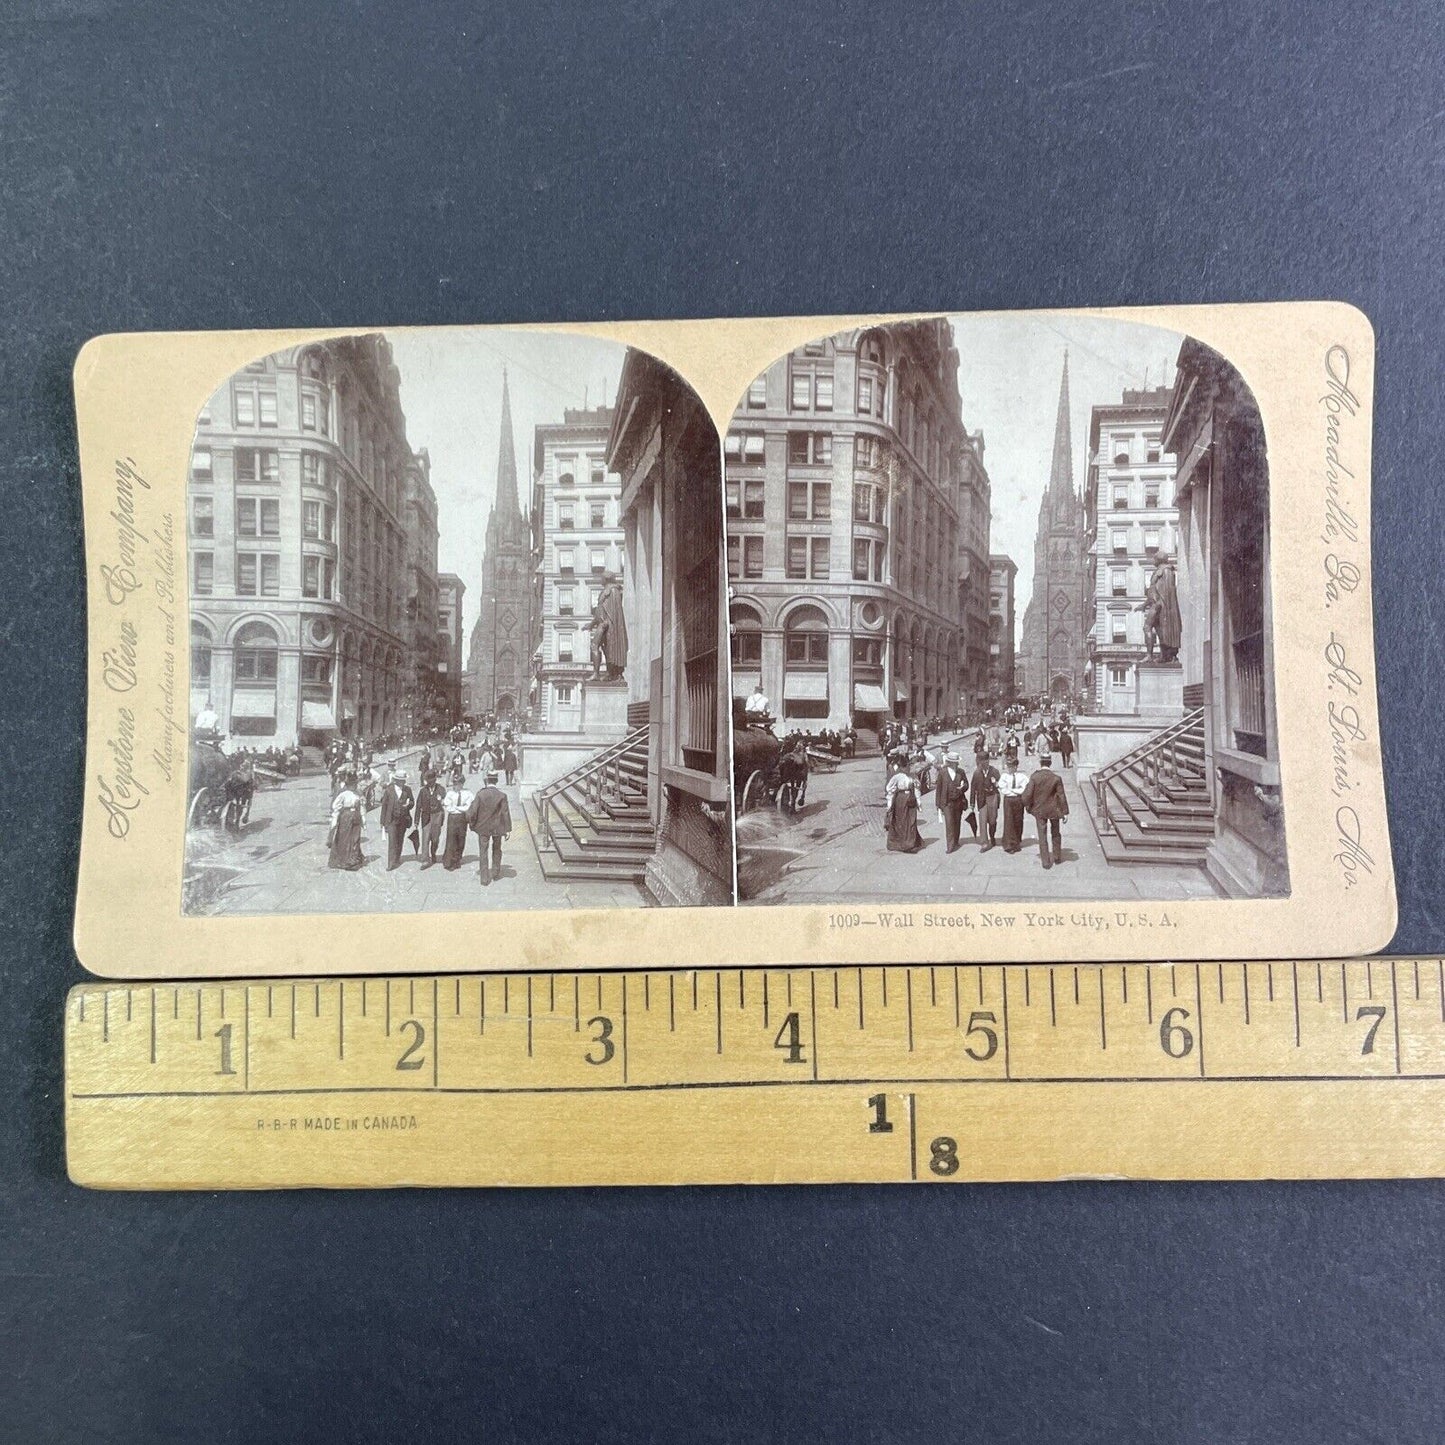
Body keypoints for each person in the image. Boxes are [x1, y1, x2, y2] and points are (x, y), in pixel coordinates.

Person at [1021, 751, 1069, 870]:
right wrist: (1065, 812)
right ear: (1050, 763)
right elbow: (1062, 796)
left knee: (1042, 835)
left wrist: (1027, 806)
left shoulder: (1034, 777)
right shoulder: (1056, 778)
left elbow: (1027, 795)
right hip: (1054, 810)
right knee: (1056, 833)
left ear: (1040, 762)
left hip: (1039, 810)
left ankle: (1046, 862)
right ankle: (1057, 856)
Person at [467, 771, 513, 886]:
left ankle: (484, 878)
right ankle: (496, 872)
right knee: (497, 848)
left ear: (487, 780)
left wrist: (472, 824)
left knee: (483, 851)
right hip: (497, 828)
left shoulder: (480, 794)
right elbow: (505, 813)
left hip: (483, 828)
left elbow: (472, 812)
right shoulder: (502, 795)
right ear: (496, 781)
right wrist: (507, 829)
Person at [1147, 554, 1183, 663]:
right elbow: (1153, 589)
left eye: (1155, 558)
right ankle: (1162, 655)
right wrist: (1145, 604)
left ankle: (1162, 655)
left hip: (1160, 605)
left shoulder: (1166, 570)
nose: (1153, 560)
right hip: (1157, 604)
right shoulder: (1160, 571)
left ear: (1159, 559)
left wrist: (1160, 604)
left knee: (1149, 627)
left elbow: (1168, 591)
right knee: (1158, 629)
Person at [934, 750, 971, 856]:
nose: (956, 764)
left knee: (957, 822)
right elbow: (939, 789)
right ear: (950, 762)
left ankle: (956, 841)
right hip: (947, 802)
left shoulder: (961, 772)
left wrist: (963, 787)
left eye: (957, 762)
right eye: (954, 762)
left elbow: (967, 784)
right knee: (949, 823)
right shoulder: (943, 773)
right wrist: (938, 804)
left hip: (958, 801)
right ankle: (950, 846)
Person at [379, 766, 414, 871]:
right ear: (396, 781)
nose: (403, 783)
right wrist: (382, 821)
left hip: (403, 819)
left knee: (400, 839)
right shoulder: (389, 790)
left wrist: (408, 805)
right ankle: (391, 863)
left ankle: (397, 858)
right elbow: (384, 806)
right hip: (392, 819)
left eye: (404, 781)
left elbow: (412, 802)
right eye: (401, 781)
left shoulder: (407, 790)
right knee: (392, 841)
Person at [884, 760, 924, 853]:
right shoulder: (897, 777)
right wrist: (890, 802)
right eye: (905, 767)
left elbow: (917, 789)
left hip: (911, 799)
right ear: (901, 768)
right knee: (902, 821)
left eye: (908, 766)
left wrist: (919, 802)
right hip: (900, 801)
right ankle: (903, 843)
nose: (907, 769)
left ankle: (911, 843)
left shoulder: (913, 776)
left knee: (911, 821)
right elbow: (889, 788)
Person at [328, 776, 365, 871]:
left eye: (355, 784)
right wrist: (335, 820)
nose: (354, 786)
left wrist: (363, 819)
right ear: (348, 785)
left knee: (355, 838)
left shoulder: (358, 793)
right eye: (352, 784)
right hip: (346, 817)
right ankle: (344, 860)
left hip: (356, 816)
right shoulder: (343, 794)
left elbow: (362, 806)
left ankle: (354, 859)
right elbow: (336, 807)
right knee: (345, 838)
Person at [970, 749, 1001, 852]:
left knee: (992, 821)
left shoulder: (994, 771)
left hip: (993, 798)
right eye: (982, 762)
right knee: (982, 821)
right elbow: (973, 789)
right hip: (982, 799)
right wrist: (972, 803)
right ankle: (984, 843)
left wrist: (995, 782)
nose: (984, 763)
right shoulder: (977, 773)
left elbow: (1000, 785)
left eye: (986, 761)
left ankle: (992, 836)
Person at [998, 749, 1028, 853]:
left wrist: (1014, 790)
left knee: (1018, 820)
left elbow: (1024, 788)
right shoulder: (1004, 776)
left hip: (1018, 800)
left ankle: (1017, 842)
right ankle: (1009, 844)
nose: (1010, 769)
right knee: (1009, 821)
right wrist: (1014, 791)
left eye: (1012, 767)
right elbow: (1003, 789)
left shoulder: (1022, 777)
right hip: (1009, 800)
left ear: (1016, 767)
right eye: (1008, 766)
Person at [441, 776, 474, 871]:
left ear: (462, 784)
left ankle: (457, 859)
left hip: (462, 818)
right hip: (453, 818)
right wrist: (460, 808)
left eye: (457, 784)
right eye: (454, 784)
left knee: (461, 838)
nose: (454, 786)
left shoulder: (468, 793)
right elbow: (448, 806)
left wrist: (457, 807)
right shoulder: (450, 793)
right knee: (451, 838)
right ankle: (448, 861)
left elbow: (468, 806)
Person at [414, 773, 446, 868]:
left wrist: (441, 800)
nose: (429, 783)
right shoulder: (423, 791)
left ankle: (433, 852)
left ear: (435, 780)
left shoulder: (440, 789)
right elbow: (418, 806)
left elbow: (445, 799)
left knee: (435, 838)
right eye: (428, 781)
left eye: (431, 781)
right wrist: (416, 821)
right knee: (426, 837)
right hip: (426, 816)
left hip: (437, 815)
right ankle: (425, 860)